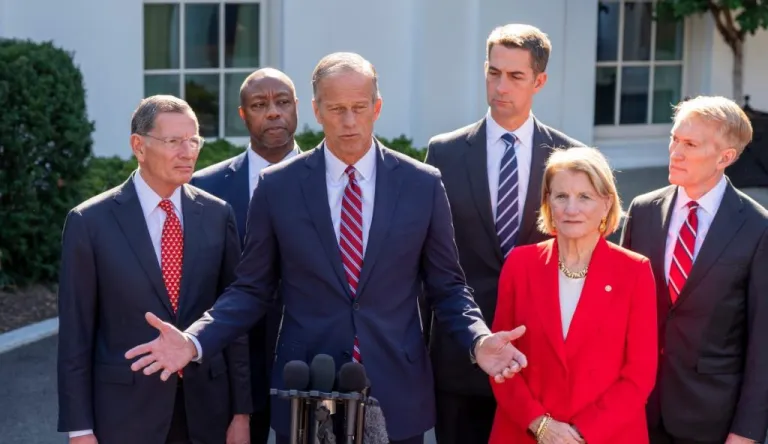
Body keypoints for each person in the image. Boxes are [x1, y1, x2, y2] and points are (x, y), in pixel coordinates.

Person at [124, 52, 529, 444]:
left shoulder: (422, 184)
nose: (349, 121)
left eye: (359, 107)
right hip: (305, 390)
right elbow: (251, 289)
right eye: (336, 109)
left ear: (377, 106)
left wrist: (478, 339)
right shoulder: (278, 186)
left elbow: (448, 287)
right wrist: (194, 341)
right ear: (316, 111)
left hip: (396, 391)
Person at [56, 95, 252, 444]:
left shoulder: (218, 214)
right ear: (139, 146)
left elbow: (232, 320)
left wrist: (240, 413)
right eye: (174, 141)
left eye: (193, 140)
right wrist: (80, 429)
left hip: (206, 411)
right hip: (124, 416)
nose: (188, 151)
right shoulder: (90, 223)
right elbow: (76, 335)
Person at [424, 23, 585, 444]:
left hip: (540, 361)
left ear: (539, 81)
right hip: (462, 355)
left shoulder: (569, 157)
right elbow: (427, 257)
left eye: (515, 76)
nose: (501, 86)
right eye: (493, 73)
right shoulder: (443, 153)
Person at [621, 96, 768, 444]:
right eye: (674, 138)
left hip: (712, 421)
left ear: (725, 157)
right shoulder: (642, 211)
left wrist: (745, 433)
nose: (675, 151)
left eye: (690, 144)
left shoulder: (757, 229)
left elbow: (763, 344)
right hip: (636, 411)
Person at [490, 147, 658, 444]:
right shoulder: (520, 264)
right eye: (561, 196)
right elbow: (500, 361)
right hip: (525, 433)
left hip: (607, 435)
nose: (571, 209)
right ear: (548, 203)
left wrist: (579, 434)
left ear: (606, 204)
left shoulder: (634, 272)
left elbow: (639, 376)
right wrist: (541, 426)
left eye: (584, 197)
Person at [191, 67, 301, 444]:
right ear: (243, 114)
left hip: (308, 355)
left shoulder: (330, 178)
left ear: (298, 109)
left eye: (283, 102)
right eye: (260, 104)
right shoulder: (205, 187)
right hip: (234, 358)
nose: (273, 112)